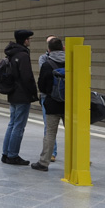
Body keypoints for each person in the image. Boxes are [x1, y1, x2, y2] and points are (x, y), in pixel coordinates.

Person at [1, 29, 38, 165]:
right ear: (25, 40)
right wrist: (34, 93)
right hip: (22, 95)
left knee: (12, 124)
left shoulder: (11, 53)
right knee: (19, 126)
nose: (30, 41)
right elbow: (27, 77)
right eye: (29, 39)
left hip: (12, 94)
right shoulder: (22, 55)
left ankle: (6, 154)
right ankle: (13, 155)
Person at [31, 37, 66, 172]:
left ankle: (44, 162)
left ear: (49, 49)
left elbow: (42, 85)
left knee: (50, 133)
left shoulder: (47, 64)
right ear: (63, 48)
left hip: (52, 103)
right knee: (73, 133)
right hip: (70, 104)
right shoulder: (72, 62)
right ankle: (77, 161)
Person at [38, 35, 59, 162]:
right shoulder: (69, 58)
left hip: (49, 97)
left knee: (49, 129)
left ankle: (45, 160)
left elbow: (42, 81)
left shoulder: (45, 60)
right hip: (66, 98)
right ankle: (53, 152)